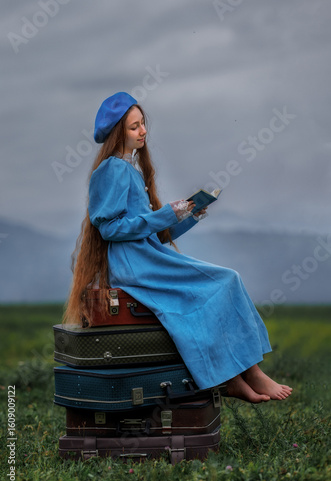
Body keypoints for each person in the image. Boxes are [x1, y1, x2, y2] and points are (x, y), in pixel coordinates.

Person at [64, 92, 292, 403]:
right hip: (134, 264)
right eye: (134, 127)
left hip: (146, 255)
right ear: (119, 132)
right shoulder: (112, 169)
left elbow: (151, 232)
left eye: (143, 123)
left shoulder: (130, 169)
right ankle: (242, 376)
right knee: (225, 280)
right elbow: (110, 228)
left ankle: (240, 375)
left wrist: (189, 215)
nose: (143, 131)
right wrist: (166, 213)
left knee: (225, 281)